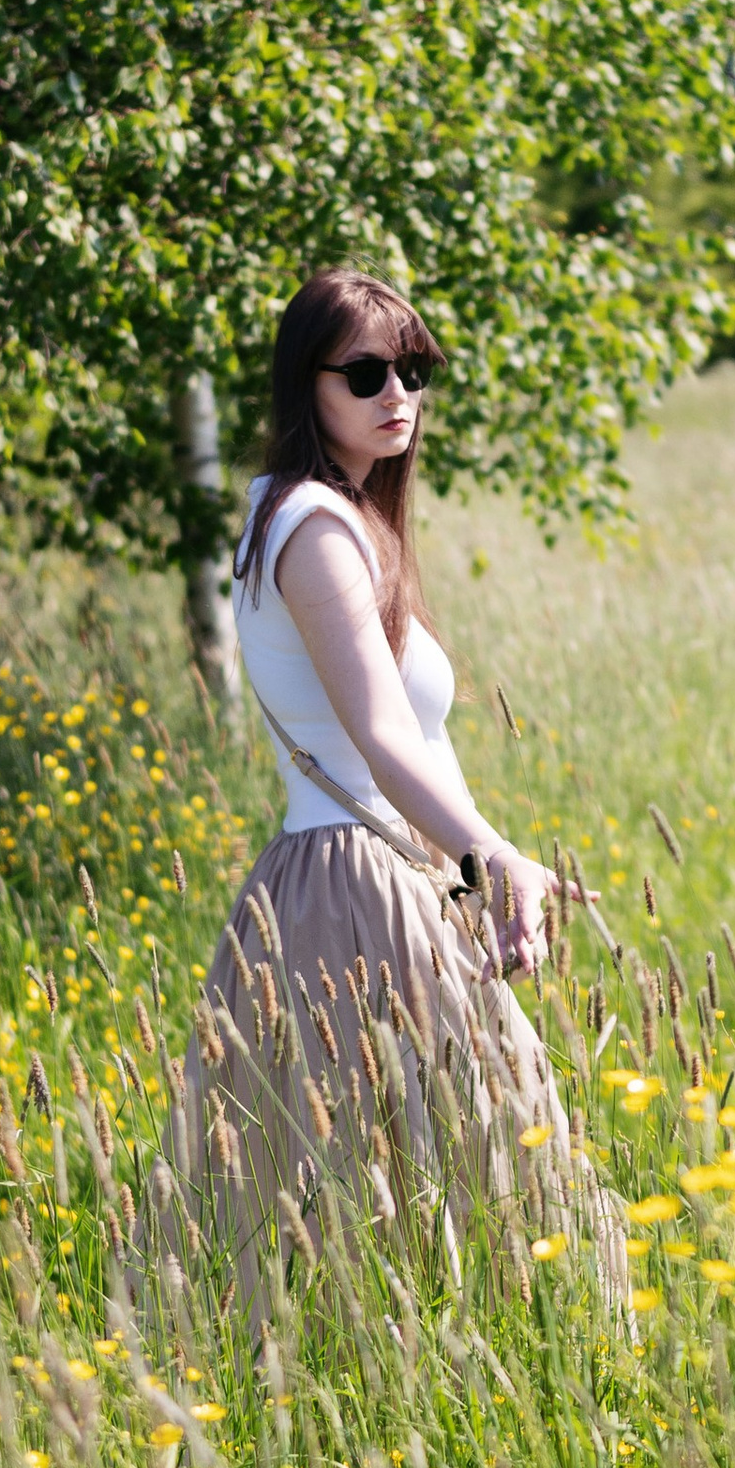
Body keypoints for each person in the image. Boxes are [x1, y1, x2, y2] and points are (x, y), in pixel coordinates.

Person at [168, 267, 612, 1326]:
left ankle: (469, 1366)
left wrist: (472, 879)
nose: (397, 394)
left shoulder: (341, 517)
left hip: (387, 875)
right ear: (306, 385)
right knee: (420, 1170)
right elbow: (377, 732)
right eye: (365, 373)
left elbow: (417, 747)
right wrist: (496, 857)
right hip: (349, 886)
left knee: (448, 1161)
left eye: (413, 370)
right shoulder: (315, 526)